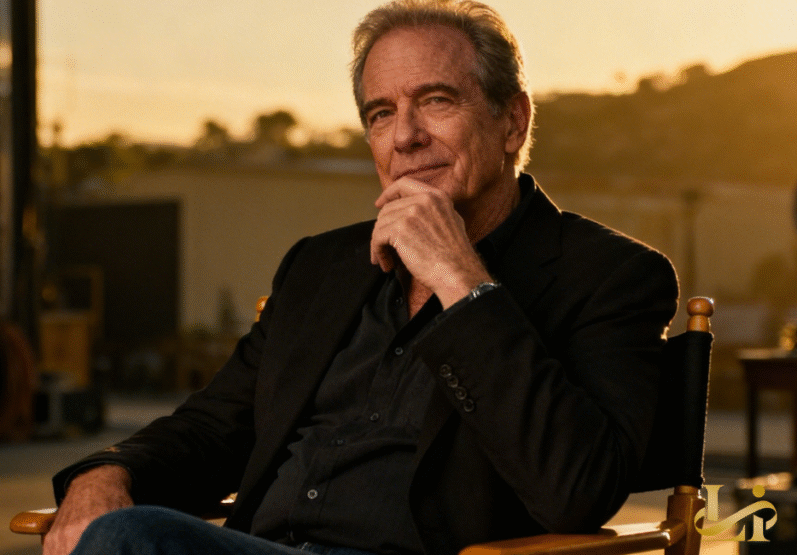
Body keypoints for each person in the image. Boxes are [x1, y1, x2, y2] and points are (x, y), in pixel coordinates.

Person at [44, 1, 679, 554]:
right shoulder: (320, 267)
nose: (405, 136)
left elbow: (577, 490)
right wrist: (105, 474)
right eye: (380, 113)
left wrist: (460, 278)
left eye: (436, 101)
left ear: (513, 121)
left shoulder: (609, 276)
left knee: (129, 542)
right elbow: (212, 429)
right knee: (121, 532)